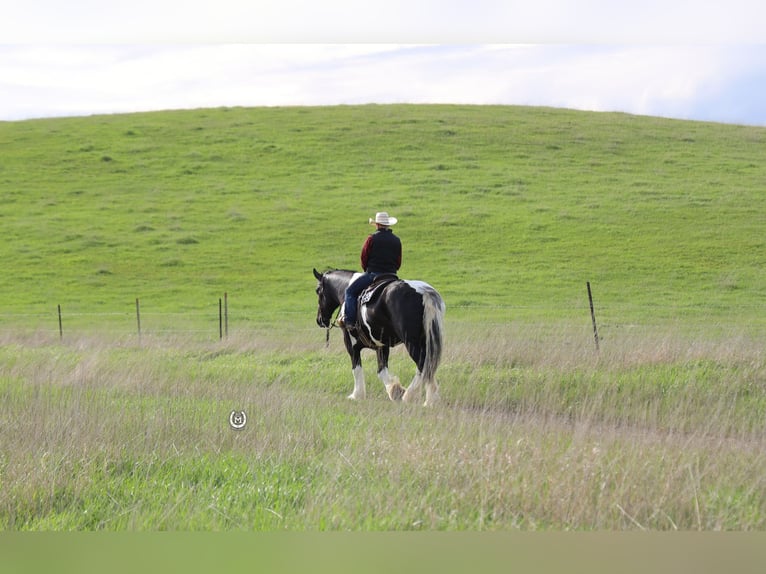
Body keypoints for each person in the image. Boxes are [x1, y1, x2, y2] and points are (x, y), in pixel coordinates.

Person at [338, 211, 402, 332]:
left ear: (377, 224)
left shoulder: (371, 239)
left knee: (350, 292)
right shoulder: (396, 240)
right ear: (388, 225)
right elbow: (398, 262)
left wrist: (367, 270)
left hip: (374, 275)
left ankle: (350, 322)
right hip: (392, 276)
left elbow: (364, 258)